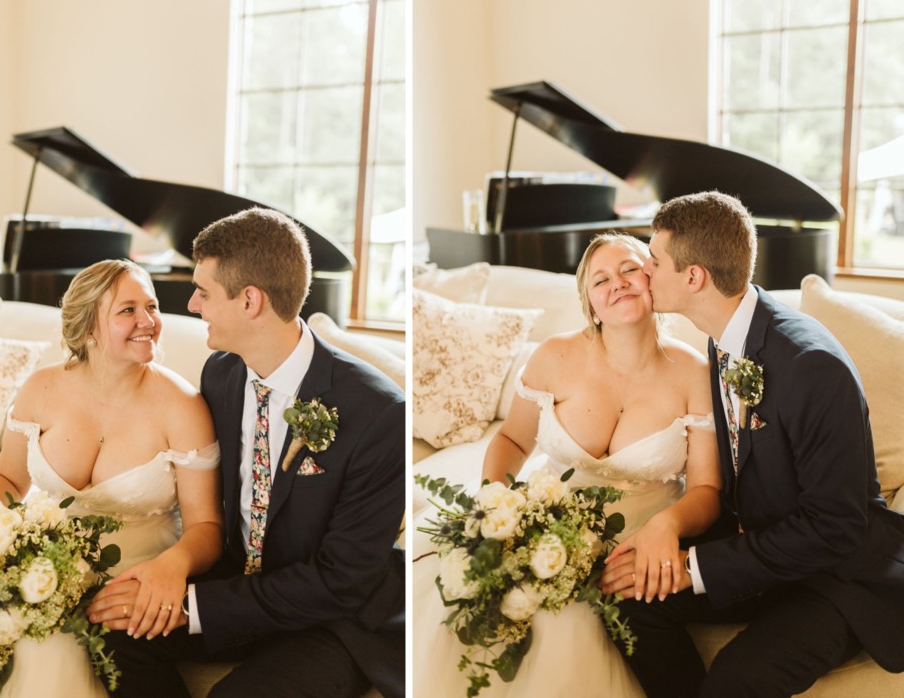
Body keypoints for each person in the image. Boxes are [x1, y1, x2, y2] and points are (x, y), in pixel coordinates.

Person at [89, 207, 406, 698]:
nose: (192, 305)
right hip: (237, 586)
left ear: (250, 301)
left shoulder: (380, 412)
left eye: (204, 292)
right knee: (113, 631)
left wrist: (196, 609)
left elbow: (340, 581)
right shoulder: (221, 373)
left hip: (333, 619)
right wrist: (168, 578)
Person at [601, 191, 904, 698]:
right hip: (765, 549)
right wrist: (668, 537)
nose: (644, 272)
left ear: (694, 277)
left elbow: (836, 527)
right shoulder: (724, 337)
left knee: (738, 681)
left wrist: (696, 568)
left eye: (654, 261)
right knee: (630, 599)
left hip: (835, 576)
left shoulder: (811, 366)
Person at [412, 233, 722, 698]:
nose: (617, 283)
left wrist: (669, 528)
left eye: (630, 269)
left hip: (635, 537)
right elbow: (513, 439)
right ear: (590, 302)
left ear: (653, 279)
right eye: (601, 279)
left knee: (571, 622)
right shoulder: (555, 355)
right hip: (542, 519)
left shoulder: (694, 372)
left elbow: (706, 490)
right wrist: (497, 510)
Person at [0, 259, 223, 697]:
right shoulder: (41, 389)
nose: (148, 322)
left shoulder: (183, 406)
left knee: (49, 651)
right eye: (128, 310)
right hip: (45, 573)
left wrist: (170, 569)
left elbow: (207, 528)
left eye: (151, 307)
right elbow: (6, 477)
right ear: (89, 329)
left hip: (133, 581)